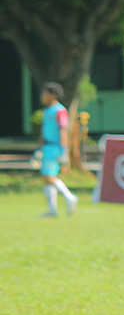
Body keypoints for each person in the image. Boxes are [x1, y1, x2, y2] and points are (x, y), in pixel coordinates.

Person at [36, 82, 78, 217]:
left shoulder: (59, 111)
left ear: (53, 95)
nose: (42, 96)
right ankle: (52, 210)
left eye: (44, 93)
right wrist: (39, 148)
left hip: (55, 147)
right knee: (47, 178)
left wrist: (63, 151)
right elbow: (43, 131)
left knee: (49, 176)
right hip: (47, 147)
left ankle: (69, 197)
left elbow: (63, 131)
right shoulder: (46, 111)